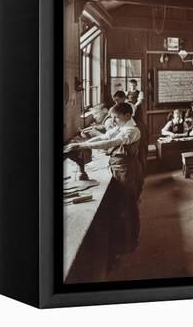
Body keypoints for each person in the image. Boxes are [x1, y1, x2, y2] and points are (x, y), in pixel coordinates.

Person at [63, 102, 143, 269]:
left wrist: (82, 145)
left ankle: (131, 242)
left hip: (127, 169)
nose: (113, 120)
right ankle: (124, 240)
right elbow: (105, 137)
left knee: (128, 205)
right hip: (118, 167)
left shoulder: (131, 130)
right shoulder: (120, 126)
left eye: (116, 117)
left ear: (127, 115)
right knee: (121, 205)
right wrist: (85, 141)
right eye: (113, 117)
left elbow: (111, 143)